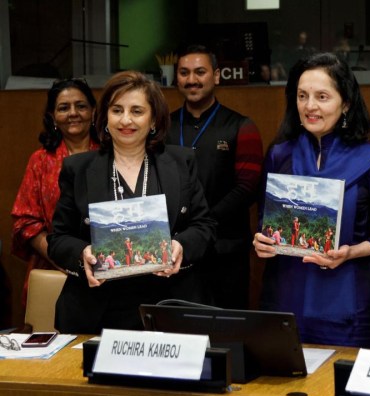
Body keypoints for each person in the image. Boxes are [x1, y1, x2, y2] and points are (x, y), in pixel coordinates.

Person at [253, 53, 370, 349]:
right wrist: (261, 240)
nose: (310, 106)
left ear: (345, 102)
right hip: (286, 298)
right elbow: (264, 221)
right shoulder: (279, 156)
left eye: (322, 96)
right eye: (302, 96)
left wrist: (351, 252)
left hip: (348, 304)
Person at [47, 71, 216, 334]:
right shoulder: (78, 169)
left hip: (169, 304)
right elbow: (58, 239)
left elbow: (204, 226)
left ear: (153, 120)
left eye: (137, 111)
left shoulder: (181, 163)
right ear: (105, 118)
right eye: (117, 110)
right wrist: (83, 255)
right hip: (98, 309)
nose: (126, 120)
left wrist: (180, 245)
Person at [167, 44, 263, 309]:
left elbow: (247, 188)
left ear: (216, 76)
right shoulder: (163, 126)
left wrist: (203, 224)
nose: (192, 80)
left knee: (228, 333)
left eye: (200, 72)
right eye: (184, 73)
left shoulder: (241, 126)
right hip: (176, 252)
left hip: (226, 251)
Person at [11, 78, 100, 305]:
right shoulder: (40, 161)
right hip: (54, 269)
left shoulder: (111, 156)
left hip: (108, 267)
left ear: (93, 111)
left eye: (81, 106)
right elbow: (25, 222)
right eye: (64, 107)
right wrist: (65, 258)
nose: (73, 113)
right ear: (52, 116)